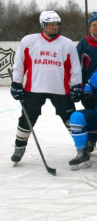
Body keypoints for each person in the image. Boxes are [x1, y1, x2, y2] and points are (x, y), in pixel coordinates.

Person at [10, 11, 82, 163]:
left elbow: (75, 69)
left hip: (60, 89)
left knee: (70, 119)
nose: (53, 27)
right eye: (49, 25)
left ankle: (82, 148)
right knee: (27, 118)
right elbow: (19, 64)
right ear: (43, 25)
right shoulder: (29, 41)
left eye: (56, 24)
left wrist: (76, 86)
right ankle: (19, 147)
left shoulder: (67, 44)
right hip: (34, 88)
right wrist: (16, 83)